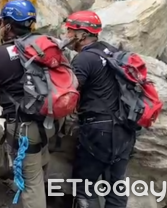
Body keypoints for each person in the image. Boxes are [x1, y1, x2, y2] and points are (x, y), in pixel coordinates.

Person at [0, 0, 63, 208]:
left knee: (30, 181)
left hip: (24, 127)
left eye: (2, 23)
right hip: (52, 117)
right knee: (39, 160)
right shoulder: (46, 44)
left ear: (8, 26)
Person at [63, 11, 138, 208]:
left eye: (70, 32)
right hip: (125, 128)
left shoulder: (84, 59)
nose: (67, 36)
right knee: (116, 186)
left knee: (84, 187)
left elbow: (68, 93)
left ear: (82, 34)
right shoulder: (113, 51)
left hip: (98, 130)